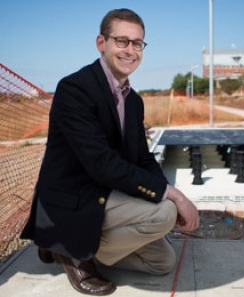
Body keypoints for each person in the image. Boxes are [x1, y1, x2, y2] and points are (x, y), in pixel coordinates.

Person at [21, 8, 200, 296]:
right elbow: (100, 163)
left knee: (162, 262)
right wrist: (173, 196)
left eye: (137, 43)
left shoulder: (133, 101)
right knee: (164, 212)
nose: (131, 51)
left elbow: (142, 157)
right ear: (101, 43)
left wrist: (165, 187)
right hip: (74, 197)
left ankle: (58, 245)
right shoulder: (74, 89)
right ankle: (72, 252)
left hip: (105, 191)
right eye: (122, 41)